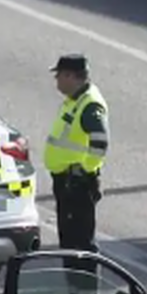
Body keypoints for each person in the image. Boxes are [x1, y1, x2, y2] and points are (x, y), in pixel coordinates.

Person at [43, 53, 110, 252]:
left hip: (77, 183)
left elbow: (100, 142)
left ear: (71, 76)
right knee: (69, 241)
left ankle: (83, 274)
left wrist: (86, 169)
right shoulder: (75, 100)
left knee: (80, 244)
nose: (56, 80)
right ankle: (72, 272)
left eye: (59, 75)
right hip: (68, 182)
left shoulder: (89, 104)